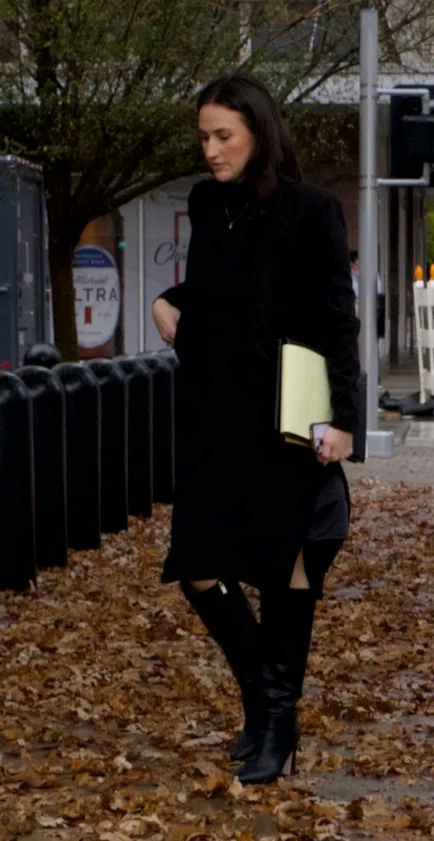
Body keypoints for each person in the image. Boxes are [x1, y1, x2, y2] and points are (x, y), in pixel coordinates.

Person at [150, 73, 359, 785]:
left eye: (223, 136)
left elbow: (336, 319)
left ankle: (278, 722)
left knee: (286, 569)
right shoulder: (209, 204)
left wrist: (346, 421)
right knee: (200, 564)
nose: (210, 150)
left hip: (289, 416)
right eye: (204, 137)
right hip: (215, 415)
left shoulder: (311, 212)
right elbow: (217, 290)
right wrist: (167, 300)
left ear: (258, 133)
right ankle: (264, 704)